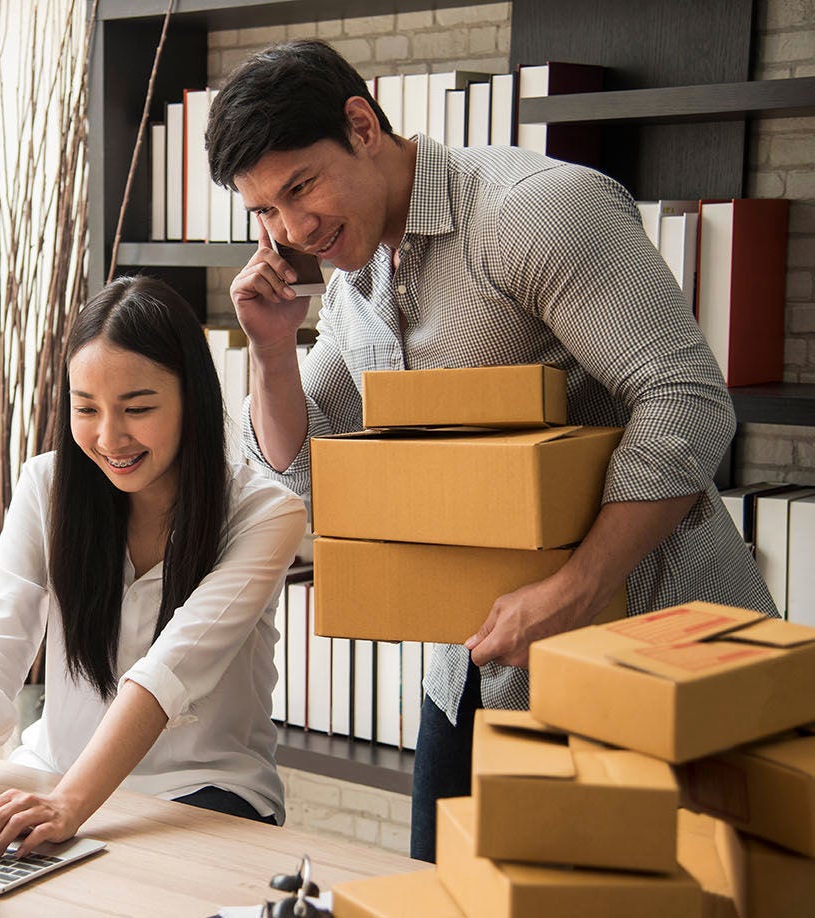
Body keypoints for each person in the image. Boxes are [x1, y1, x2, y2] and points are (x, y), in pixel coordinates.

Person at [206, 39, 777, 861]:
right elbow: (307, 471)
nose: (293, 230)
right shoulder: (354, 278)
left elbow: (686, 399)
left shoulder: (532, 211)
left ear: (362, 125)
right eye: (265, 211)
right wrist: (268, 353)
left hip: (647, 647)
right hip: (473, 667)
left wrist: (576, 586)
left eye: (301, 187)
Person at [0, 275, 308, 859]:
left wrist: (69, 806)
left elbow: (169, 672)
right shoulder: (46, 487)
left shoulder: (267, 514)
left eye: (138, 408)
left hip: (200, 793)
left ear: (193, 400)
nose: (110, 437)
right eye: (87, 409)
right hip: (51, 773)